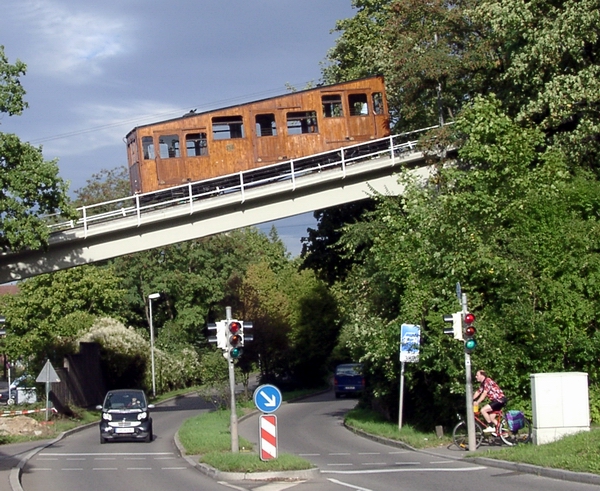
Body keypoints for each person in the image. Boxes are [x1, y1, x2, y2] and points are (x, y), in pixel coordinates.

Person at [473, 370, 507, 434]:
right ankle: (504, 433)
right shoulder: (483, 384)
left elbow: (484, 394)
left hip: (499, 400)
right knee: (491, 418)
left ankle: (491, 427)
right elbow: (478, 392)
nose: (476, 377)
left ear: (482, 375)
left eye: (477, 375)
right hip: (497, 400)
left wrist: (477, 402)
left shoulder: (487, 381)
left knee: (483, 410)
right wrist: (471, 399)